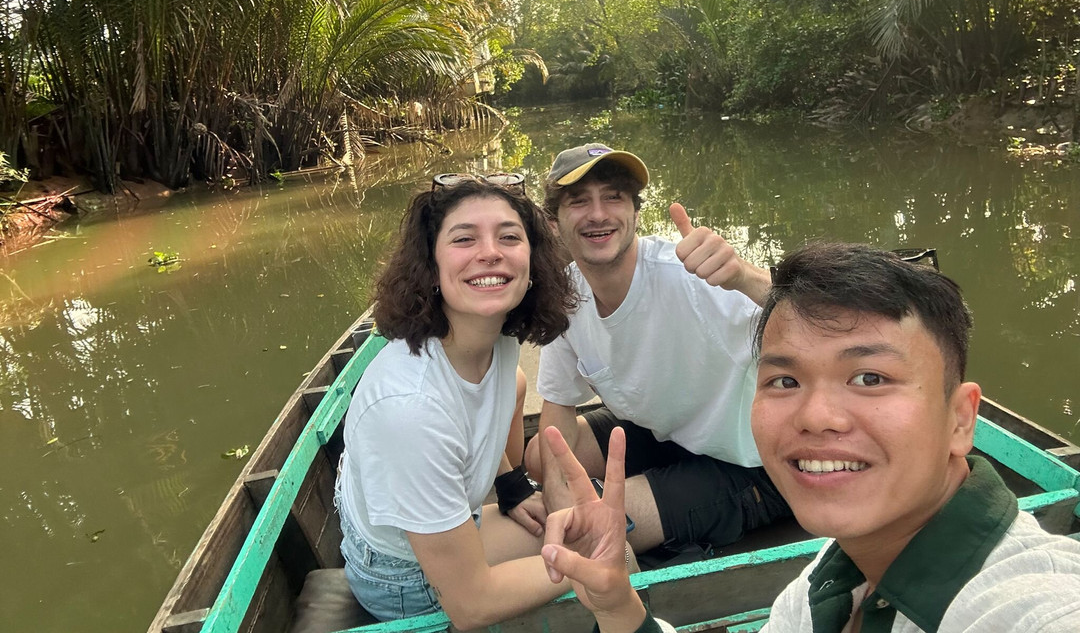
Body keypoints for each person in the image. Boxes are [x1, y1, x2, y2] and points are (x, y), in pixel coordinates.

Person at [539, 242, 1080, 633]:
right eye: (785, 380)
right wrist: (618, 611)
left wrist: (743, 276)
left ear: (961, 420)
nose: (817, 416)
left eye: (870, 378)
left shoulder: (1031, 605)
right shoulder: (821, 586)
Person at [334, 174, 578, 628]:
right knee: (605, 544)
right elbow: (471, 605)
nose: (491, 252)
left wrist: (510, 484)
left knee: (591, 520)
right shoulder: (410, 408)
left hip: (426, 533)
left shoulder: (496, 337)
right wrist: (596, 565)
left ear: (532, 263)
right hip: (404, 578)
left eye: (509, 237)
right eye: (464, 239)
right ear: (430, 266)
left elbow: (486, 409)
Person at [524, 143, 790, 554]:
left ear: (634, 212)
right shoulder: (567, 293)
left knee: (594, 529)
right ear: (555, 223)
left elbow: (814, 319)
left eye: (613, 197)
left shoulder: (691, 275)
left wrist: (742, 276)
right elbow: (557, 407)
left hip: (754, 462)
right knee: (541, 459)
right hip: (668, 435)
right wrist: (560, 500)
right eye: (579, 201)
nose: (598, 214)